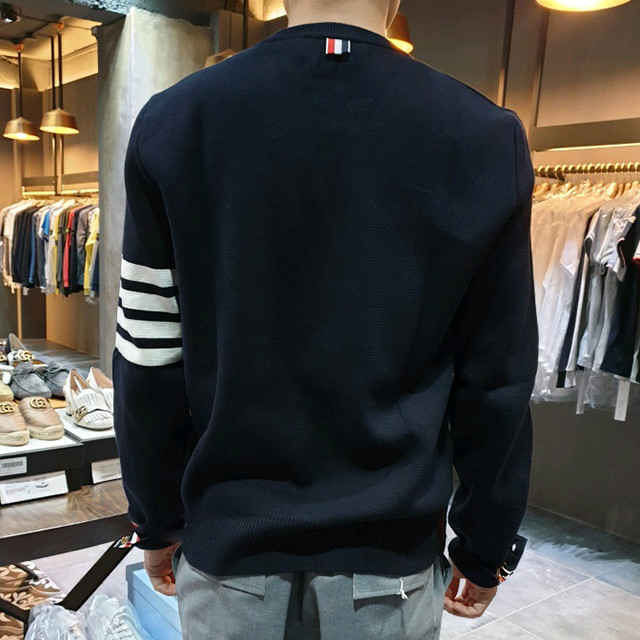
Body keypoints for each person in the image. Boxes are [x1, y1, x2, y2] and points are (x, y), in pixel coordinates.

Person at [112, 0, 538, 637]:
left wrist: (155, 516)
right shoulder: (483, 136)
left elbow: (148, 353)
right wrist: (485, 543)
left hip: (230, 548)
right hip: (387, 564)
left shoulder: (175, 122)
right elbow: (498, 378)